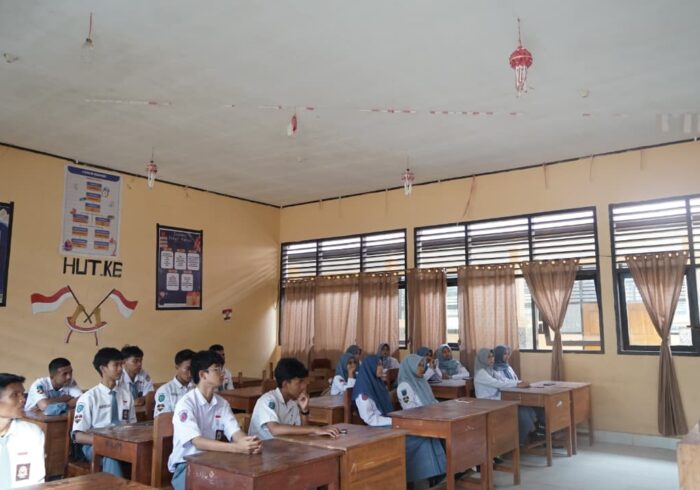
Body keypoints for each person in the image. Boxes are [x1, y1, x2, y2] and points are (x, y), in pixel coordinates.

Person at [168, 350, 262, 490]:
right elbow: (197, 441)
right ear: (202, 374)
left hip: (213, 462)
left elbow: (234, 432)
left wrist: (247, 442)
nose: (222, 373)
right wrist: (236, 448)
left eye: (221, 369)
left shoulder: (222, 403)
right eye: (216, 369)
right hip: (186, 466)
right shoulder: (186, 404)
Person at [353, 355, 446, 485]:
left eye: (381, 364)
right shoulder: (363, 391)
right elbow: (370, 419)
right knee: (422, 437)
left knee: (428, 434)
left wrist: (394, 420)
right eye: (378, 365)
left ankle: (436, 474)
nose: (381, 368)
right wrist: (393, 421)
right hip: (376, 429)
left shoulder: (377, 384)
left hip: (388, 424)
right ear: (370, 368)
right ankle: (424, 476)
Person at [73, 347, 136, 477]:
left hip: (123, 443)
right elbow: (78, 436)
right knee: (110, 454)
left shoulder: (126, 394)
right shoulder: (89, 398)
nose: (120, 369)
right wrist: (107, 442)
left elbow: (133, 426)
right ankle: (115, 486)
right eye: (116, 365)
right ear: (103, 368)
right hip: (95, 445)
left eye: (121, 364)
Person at [249, 358, 340, 440]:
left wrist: (304, 411)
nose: (304, 386)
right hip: (263, 451)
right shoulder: (267, 400)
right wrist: (315, 429)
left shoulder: (292, 403)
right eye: (300, 382)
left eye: (304, 382)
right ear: (285, 384)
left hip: (284, 449)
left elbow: (303, 431)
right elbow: (275, 429)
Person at [473, 348, 536, 445]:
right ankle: (517, 441)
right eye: (488, 357)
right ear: (482, 359)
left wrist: (520, 382)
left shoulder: (490, 370)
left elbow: (503, 380)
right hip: (487, 403)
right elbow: (498, 383)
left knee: (526, 408)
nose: (492, 359)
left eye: (492, 356)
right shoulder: (481, 373)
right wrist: (517, 385)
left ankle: (524, 436)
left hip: (496, 399)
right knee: (521, 410)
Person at [0, 373, 45, 487]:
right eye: (15, 395)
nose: (23, 400)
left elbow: (37, 479)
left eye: (23, 394)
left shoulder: (32, 433)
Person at [154, 349, 195, 418]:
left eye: (193, 369)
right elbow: (163, 418)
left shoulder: (198, 387)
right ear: (177, 367)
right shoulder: (165, 390)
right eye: (188, 369)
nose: (191, 373)